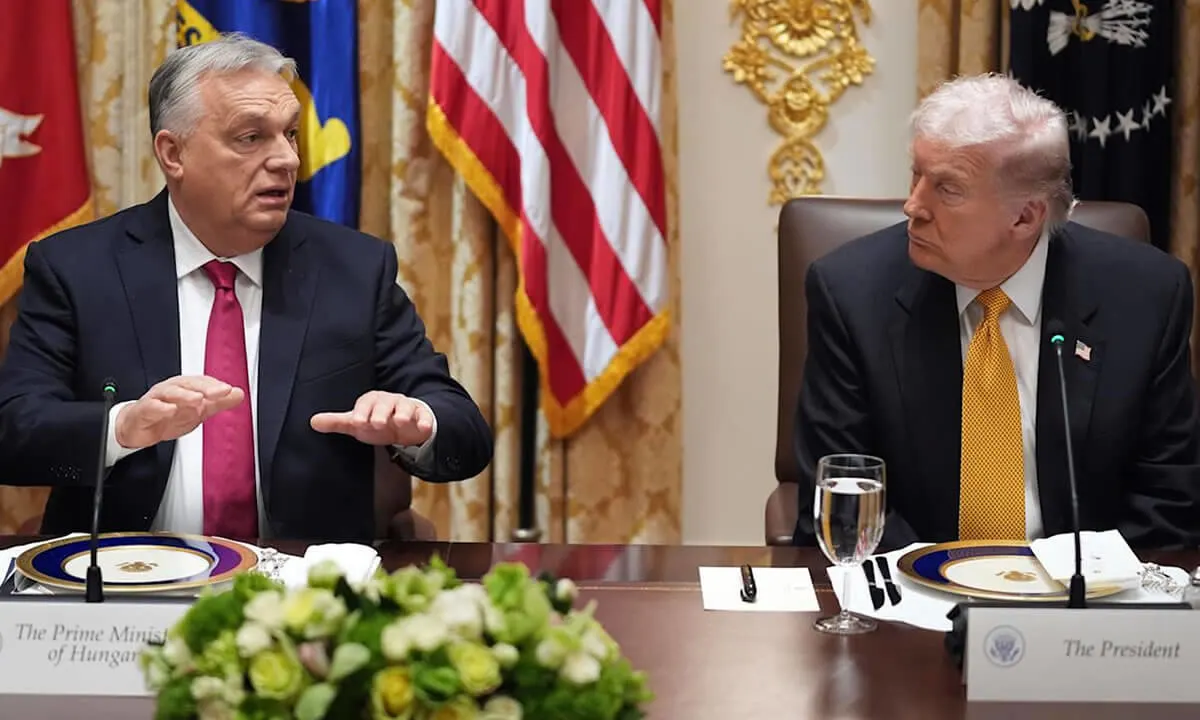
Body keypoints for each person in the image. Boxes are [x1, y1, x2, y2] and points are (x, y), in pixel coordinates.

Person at [0, 34, 493, 541]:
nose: (286, 160)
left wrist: (420, 423)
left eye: (291, 134)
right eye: (251, 137)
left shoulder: (354, 268)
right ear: (174, 154)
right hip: (130, 584)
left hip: (301, 596)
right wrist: (123, 427)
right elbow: (13, 434)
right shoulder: (76, 269)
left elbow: (465, 433)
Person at [793, 73, 1200, 551]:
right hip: (916, 597)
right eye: (917, 174)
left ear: (1025, 217)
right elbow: (842, 499)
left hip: (1079, 602)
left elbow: (1169, 504)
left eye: (947, 188)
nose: (913, 206)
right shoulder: (852, 294)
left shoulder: (1145, 296)